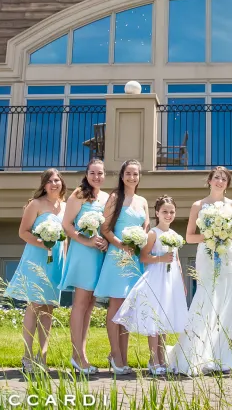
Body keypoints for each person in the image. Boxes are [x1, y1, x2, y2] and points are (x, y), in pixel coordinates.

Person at [168, 167, 232, 376]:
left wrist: (225, 232)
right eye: (216, 177)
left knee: (227, 302)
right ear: (209, 180)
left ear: (227, 184)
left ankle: (223, 359)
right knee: (205, 300)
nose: (220, 181)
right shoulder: (198, 205)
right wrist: (210, 234)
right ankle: (196, 356)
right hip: (207, 254)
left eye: (224, 179)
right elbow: (190, 237)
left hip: (229, 256)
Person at [113, 195, 189, 377]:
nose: (168, 215)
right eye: (164, 212)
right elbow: (144, 257)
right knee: (154, 319)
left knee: (164, 318)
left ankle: (162, 358)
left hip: (171, 280)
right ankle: (153, 359)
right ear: (157, 212)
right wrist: (161, 259)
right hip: (156, 278)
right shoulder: (153, 233)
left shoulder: (174, 235)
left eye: (171, 212)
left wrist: (182, 281)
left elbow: (177, 259)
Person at [5, 168, 67, 374]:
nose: (54, 184)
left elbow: (66, 238)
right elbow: (23, 232)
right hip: (36, 258)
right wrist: (42, 243)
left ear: (62, 183)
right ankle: (27, 356)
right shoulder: (36, 205)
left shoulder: (66, 207)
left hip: (56, 262)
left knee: (48, 308)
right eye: (50, 181)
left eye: (57, 180)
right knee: (35, 305)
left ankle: (43, 356)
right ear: (44, 185)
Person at [93, 160, 149, 375]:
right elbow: (105, 228)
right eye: (128, 173)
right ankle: (115, 353)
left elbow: (145, 227)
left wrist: (139, 241)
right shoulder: (114, 198)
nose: (132, 177)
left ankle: (123, 357)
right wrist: (121, 245)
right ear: (122, 175)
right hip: (118, 255)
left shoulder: (143, 201)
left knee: (127, 310)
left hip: (134, 258)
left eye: (135, 174)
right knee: (116, 306)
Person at [59, 159, 109, 376]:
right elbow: (67, 225)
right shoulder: (78, 195)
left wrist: (106, 240)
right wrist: (87, 241)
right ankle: (76, 355)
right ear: (86, 174)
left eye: (100, 173)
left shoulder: (106, 197)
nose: (96, 177)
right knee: (80, 303)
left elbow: (107, 226)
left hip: (99, 254)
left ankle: (82, 353)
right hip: (83, 252)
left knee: (90, 304)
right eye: (92, 173)